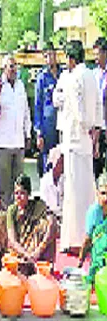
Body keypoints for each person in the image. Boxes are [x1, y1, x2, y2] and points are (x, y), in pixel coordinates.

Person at [60, 40, 102, 256]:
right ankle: (88, 235)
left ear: (71, 58)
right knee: (86, 190)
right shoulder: (93, 76)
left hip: (76, 140)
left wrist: (86, 126)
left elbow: (77, 109)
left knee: (75, 192)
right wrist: (96, 130)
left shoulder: (74, 77)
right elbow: (98, 107)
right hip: (86, 140)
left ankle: (77, 240)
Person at [0, 55, 31, 205]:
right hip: (4, 144)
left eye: (15, 66)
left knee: (19, 185)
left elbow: (26, 112)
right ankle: (5, 218)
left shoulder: (20, 85)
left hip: (19, 142)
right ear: (4, 69)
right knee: (5, 188)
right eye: (11, 66)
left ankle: (17, 216)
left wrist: (28, 134)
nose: (13, 69)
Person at [6, 175, 58, 275]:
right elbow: (12, 240)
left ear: (29, 194)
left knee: (45, 224)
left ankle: (44, 265)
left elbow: (53, 223)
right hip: (20, 251)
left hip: (36, 252)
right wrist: (26, 254)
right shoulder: (12, 210)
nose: (18, 197)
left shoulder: (38, 206)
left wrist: (38, 251)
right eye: (16, 193)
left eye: (22, 193)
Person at [34, 42, 61, 178]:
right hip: (47, 126)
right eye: (46, 56)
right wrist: (39, 133)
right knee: (48, 163)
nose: (49, 58)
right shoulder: (42, 77)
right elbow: (38, 105)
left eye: (51, 54)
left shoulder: (64, 74)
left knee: (61, 161)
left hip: (62, 124)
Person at [79, 173, 107, 283]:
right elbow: (88, 240)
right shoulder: (93, 212)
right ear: (97, 194)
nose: (106, 198)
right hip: (99, 261)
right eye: (103, 193)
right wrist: (80, 261)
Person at [93, 37, 107, 179]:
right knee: (96, 170)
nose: (95, 58)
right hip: (97, 129)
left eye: (98, 54)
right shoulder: (94, 75)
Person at [39, 146, 64, 218]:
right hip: (49, 216)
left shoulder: (66, 179)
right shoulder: (45, 180)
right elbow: (44, 204)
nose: (62, 165)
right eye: (60, 162)